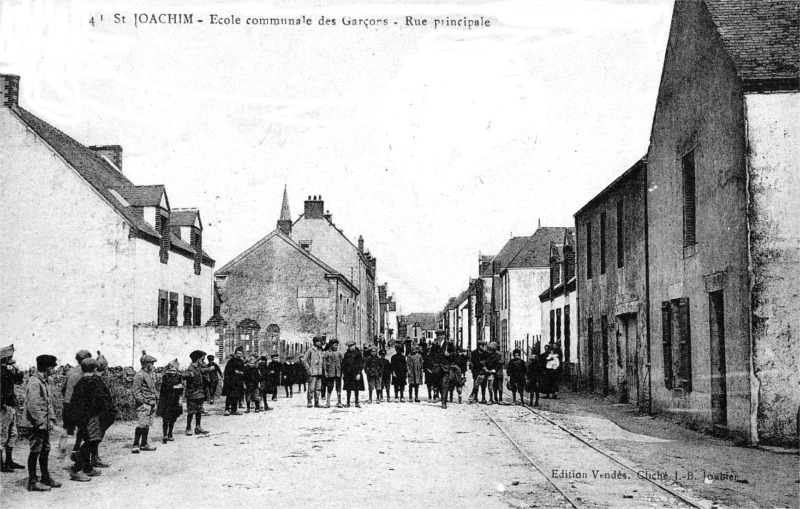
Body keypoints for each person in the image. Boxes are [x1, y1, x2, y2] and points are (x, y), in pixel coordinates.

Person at [21, 354, 61, 491]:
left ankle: (45, 477)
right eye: (53, 367)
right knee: (35, 450)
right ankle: (32, 481)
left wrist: (52, 419)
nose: (55, 370)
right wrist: (41, 423)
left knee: (45, 449)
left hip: (43, 423)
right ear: (48, 368)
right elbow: (33, 405)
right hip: (35, 424)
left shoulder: (44, 380)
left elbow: (47, 403)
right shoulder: (34, 382)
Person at [69, 357, 110, 482]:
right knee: (90, 442)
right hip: (91, 417)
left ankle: (87, 468)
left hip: (82, 417)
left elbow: (74, 403)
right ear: (95, 368)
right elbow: (99, 400)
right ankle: (77, 470)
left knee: (89, 440)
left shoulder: (80, 382)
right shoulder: (93, 382)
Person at [62, 349, 92, 462]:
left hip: (67, 404)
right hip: (78, 404)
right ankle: (76, 452)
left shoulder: (70, 372)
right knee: (84, 429)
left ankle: (66, 453)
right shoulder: (84, 373)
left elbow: (64, 389)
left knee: (69, 430)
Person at [1, 344, 24, 472]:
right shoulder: (2, 372)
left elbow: (18, 380)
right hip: (4, 407)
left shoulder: (7, 371)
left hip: (10, 406)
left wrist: (17, 369)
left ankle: (8, 461)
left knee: (12, 434)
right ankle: (2, 463)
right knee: (3, 435)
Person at [131, 351, 158, 453]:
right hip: (144, 404)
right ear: (147, 364)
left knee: (147, 425)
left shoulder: (150, 374)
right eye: (151, 363)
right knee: (141, 424)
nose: (153, 365)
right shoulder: (139, 375)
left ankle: (144, 444)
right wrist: (143, 402)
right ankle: (135, 444)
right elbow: (135, 392)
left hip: (151, 403)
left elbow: (153, 388)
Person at [184, 350, 213, 434]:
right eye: (201, 358)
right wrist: (189, 375)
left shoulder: (198, 367)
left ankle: (198, 427)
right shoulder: (191, 367)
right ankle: (188, 428)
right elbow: (186, 375)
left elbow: (202, 371)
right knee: (191, 411)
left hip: (199, 392)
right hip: (192, 393)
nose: (202, 360)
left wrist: (209, 369)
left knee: (199, 410)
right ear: (197, 359)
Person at [157, 359, 183, 443]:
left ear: (176, 370)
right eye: (171, 370)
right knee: (165, 418)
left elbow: (181, 389)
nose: (172, 372)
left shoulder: (179, 377)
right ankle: (164, 434)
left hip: (175, 400)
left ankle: (170, 433)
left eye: (174, 370)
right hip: (166, 400)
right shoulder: (165, 376)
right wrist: (175, 387)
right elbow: (165, 387)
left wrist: (180, 398)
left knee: (173, 418)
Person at [302, 336, 325, 408]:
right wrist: (308, 368)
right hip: (312, 372)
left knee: (318, 388)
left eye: (321, 341)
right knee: (311, 388)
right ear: (315, 342)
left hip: (319, 372)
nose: (320, 343)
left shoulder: (321, 350)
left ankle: (317, 402)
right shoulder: (310, 350)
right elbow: (304, 360)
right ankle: (309, 401)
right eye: (319, 341)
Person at [222, 346, 246, 416]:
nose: (239, 354)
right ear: (235, 353)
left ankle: (234, 410)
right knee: (230, 395)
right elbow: (227, 370)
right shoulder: (231, 360)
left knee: (237, 396)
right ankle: (227, 409)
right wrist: (234, 371)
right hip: (231, 381)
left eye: (240, 353)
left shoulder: (241, 361)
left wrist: (242, 373)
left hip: (238, 381)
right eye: (238, 353)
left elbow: (243, 370)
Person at [341, 341, 364, 408]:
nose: (351, 348)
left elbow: (361, 364)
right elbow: (344, 364)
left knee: (356, 388)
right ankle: (348, 403)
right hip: (348, 374)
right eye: (349, 346)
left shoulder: (358, 354)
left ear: (354, 346)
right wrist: (343, 373)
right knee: (348, 388)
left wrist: (359, 373)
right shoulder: (346, 354)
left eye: (352, 346)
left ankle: (356, 402)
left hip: (356, 373)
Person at [322, 339, 343, 408]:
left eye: (337, 345)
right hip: (330, 373)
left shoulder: (339, 353)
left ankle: (339, 402)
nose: (336, 346)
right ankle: (328, 402)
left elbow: (342, 363)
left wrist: (342, 372)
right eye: (334, 345)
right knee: (329, 387)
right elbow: (324, 363)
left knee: (338, 387)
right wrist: (325, 371)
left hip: (338, 373)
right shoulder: (327, 353)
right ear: (331, 345)